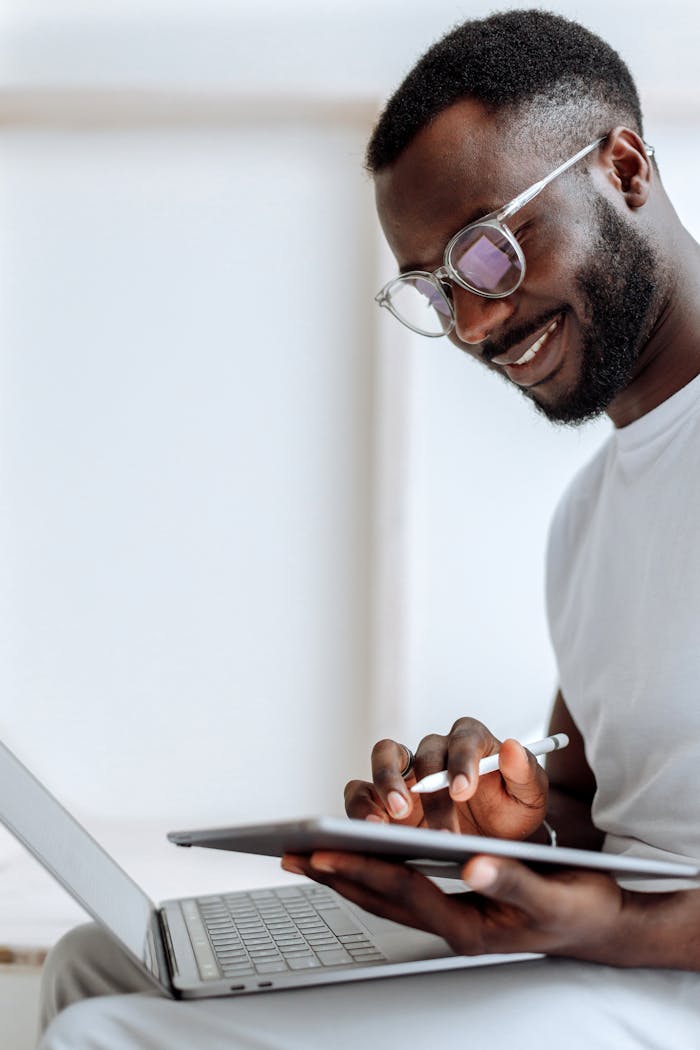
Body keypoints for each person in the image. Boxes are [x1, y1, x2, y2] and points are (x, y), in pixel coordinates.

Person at [39, 10, 700, 1048]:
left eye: (485, 250)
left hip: (669, 988)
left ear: (622, 168)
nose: (473, 325)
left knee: (105, 1033)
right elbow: (587, 799)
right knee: (105, 959)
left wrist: (612, 925)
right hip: (609, 963)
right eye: (436, 288)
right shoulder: (590, 514)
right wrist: (504, 830)